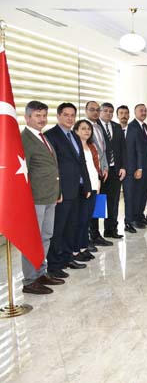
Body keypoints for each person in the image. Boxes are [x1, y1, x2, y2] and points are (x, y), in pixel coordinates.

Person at [20, 101, 65, 294]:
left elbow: (52, 168)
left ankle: (40, 273)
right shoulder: (24, 139)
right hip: (35, 199)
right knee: (32, 240)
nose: (42, 119)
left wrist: (58, 192)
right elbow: (23, 173)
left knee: (46, 236)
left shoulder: (42, 136)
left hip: (49, 196)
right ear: (27, 118)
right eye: (37, 115)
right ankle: (30, 280)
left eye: (44, 115)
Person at [44, 103, 91, 273]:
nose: (70, 118)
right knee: (58, 228)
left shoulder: (75, 136)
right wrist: (57, 190)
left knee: (72, 226)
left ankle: (67, 257)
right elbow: (52, 166)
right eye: (66, 115)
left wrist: (87, 185)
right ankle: (54, 264)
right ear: (58, 116)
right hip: (62, 191)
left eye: (72, 115)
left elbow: (81, 162)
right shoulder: (51, 136)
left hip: (77, 189)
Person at [72, 119, 101, 263]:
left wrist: (98, 182)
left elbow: (95, 166)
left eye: (89, 129)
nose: (87, 131)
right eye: (83, 128)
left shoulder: (91, 146)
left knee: (88, 219)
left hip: (94, 185)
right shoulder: (74, 147)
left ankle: (84, 248)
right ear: (76, 131)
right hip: (83, 188)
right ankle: (75, 250)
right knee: (80, 220)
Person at [124, 103, 147, 233]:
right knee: (135, 195)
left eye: (145, 110)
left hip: (146, 167)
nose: (144, 112)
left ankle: (140, 216)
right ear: (135, 112)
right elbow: (133, 149)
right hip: (137, 168)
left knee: (143, 194)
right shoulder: (132, 127)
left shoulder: (144, 126)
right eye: (141, 110)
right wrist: (139, 168)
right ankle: (132, 220)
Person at [98, 102, 126, 239]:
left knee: (113, 201)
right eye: (105, 111)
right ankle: (95, 232)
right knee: (99, 202)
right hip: (100, 172)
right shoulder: (95, 126)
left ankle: (111, 229)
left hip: (115, 170)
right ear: (100, 111)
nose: (108, 113)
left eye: (110, 111)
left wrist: (123, 167)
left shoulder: (117, 127)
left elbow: (123, 148)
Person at [85, 101, 111, 246]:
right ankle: (88, 236)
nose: (95, 112)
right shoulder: (84, 127)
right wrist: (96, 170)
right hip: (91, 172)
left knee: (99, 204)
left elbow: (103, 150)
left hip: (102, 172)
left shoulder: (99, 127)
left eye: (97, 110)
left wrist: (105, 167)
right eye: (92, 109)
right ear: (86, 111)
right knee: (89, 206)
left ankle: (96, 235)